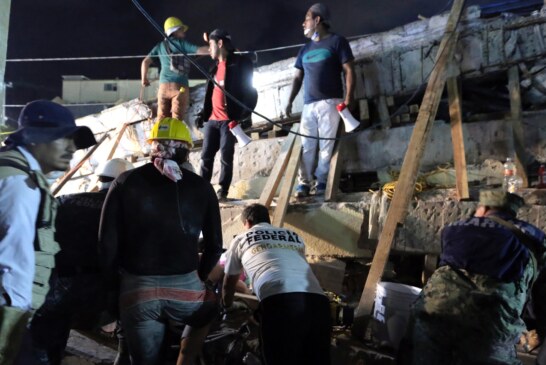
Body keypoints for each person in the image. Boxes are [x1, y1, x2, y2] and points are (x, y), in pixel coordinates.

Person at [99, 117, 223, 365]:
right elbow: (214, 246)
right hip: (186, 291)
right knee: (211, 309)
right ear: (186, 149)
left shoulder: (124, 182)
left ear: (152, 145)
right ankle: (185, 358)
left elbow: (106, 244)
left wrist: (115, 288)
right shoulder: (202, 187)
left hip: (138, 290)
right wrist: (199, 277)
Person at [0, 100, 96, 364]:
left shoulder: (20, 174)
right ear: (34, 140)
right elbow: (13, 260)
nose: (72, 148)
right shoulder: (19, 184)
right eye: (62, 139)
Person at [404, 190, 546, 364]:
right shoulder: (534, 237)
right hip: (491, 329)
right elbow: (540, 297)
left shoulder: (455, 227)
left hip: (432, 320)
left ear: (484, 208)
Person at [28, 158, 134, 365]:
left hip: (58, 288)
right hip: (104, 297)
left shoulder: (64, 200)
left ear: (100, 178)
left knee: (45, 343)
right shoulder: (130, 213)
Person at [222, 203, 331, 365]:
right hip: (318, 302)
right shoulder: (294, 236)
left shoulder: (241, 239)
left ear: (247, 223)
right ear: (268, 220)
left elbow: (229, 284)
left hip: (281, 303)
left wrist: (227, 306)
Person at [285, 3, 355, 197]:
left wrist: (349, 97)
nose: (303, 23)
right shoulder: (304, 50)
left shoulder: (337, 42)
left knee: (326, 145)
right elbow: (297, 78)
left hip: (330, 102)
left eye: (307, 18)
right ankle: (304, 183)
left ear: (317, 20)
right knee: (307, 146)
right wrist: (290, 101)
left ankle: (322, 182)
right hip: (309, 105)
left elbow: (349, 70)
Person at [198, 29, 257, 201]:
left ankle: (222, 191)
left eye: (210, 44)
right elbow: (210, 94)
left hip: (228, 121)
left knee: (226, 155)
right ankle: (202, 191)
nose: (209, 49)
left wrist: (243, 115)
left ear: (220, 43)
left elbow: (250, 92)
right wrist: (203, 114)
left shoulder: (240, 64)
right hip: (212, 120)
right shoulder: (213, 68)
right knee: (205, 157)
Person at [141, 17, 208, 122]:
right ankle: (175, 138)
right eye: (181, 29)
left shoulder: (159, 46)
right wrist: (215, 49)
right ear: (175, 30)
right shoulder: (180, 43)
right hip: (179, 88)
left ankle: (160, 138)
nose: (184, 32)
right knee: (177, 119)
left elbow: (145, 62)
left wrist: (144, 79)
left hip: (163, 88)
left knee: (162, 119)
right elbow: (200, 50)